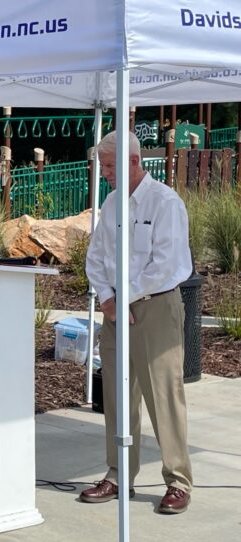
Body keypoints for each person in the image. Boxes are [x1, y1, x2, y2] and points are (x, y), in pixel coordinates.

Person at [83, 130, 193, 514]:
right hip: (117, 309)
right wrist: (109, 300)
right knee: (117, 397)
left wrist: (122, 296)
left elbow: (167, 265)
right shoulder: (112, 203)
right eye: (102, 166)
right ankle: (117, 474)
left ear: (134, 161)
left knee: (163, 394)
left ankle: (178, 481)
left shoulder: (165, 202)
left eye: (110, 166)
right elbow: (95, 257)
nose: (106, 174)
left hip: (156, 308)